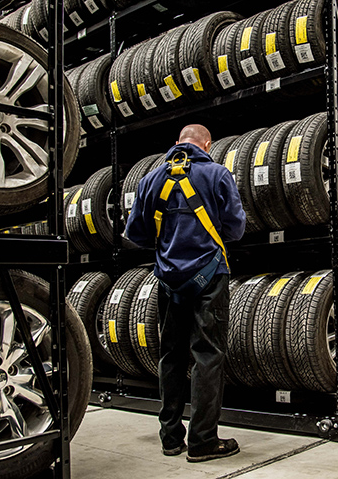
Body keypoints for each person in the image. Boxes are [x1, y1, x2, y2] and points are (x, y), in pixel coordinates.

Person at [124, 123, 246, 462]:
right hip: (210, 277)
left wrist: (168, 244)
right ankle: (203, 441)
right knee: (207, 356)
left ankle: (171, 439)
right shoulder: (218, 175)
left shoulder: (150, 180)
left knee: (171, 356)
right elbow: (235, 229)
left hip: (168, 281)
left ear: (177, 143)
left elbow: (135, 233)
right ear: (207, 144)